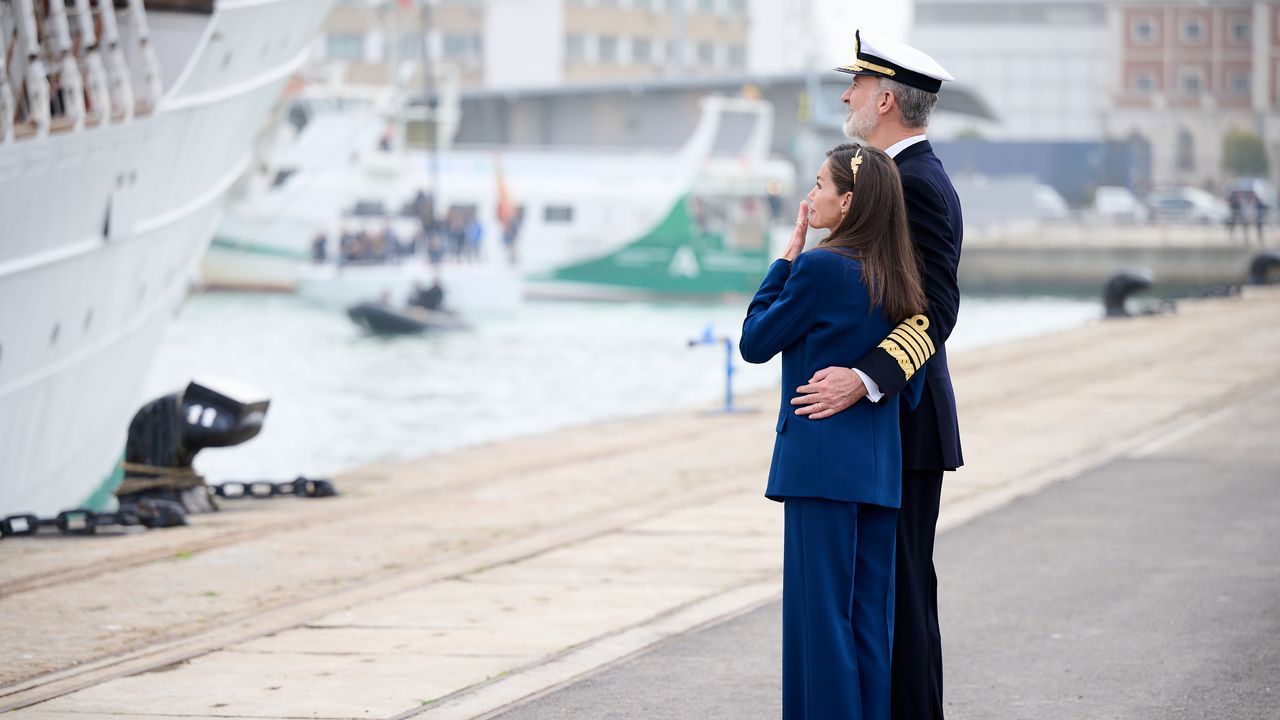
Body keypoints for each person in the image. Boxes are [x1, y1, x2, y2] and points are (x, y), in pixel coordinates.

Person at [789, 30, 964, 720]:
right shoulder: (899, 175)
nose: (846, 94)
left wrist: (864, 378)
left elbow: (936, 312)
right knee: (890, 600)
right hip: (889, 427)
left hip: (904, 423)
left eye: (856, 86)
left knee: (899, 601)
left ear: (886, 99)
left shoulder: (916, 183)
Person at [741, 144, 927, 720]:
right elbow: (909, 384)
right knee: (870, 622)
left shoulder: (821, 268)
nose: (810, 195)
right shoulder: (899, 277)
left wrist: (787, 260)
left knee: (819, 620)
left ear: (848, 202)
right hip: (878, 472)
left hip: (819, 470)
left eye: (819, 185)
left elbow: (754, 342)